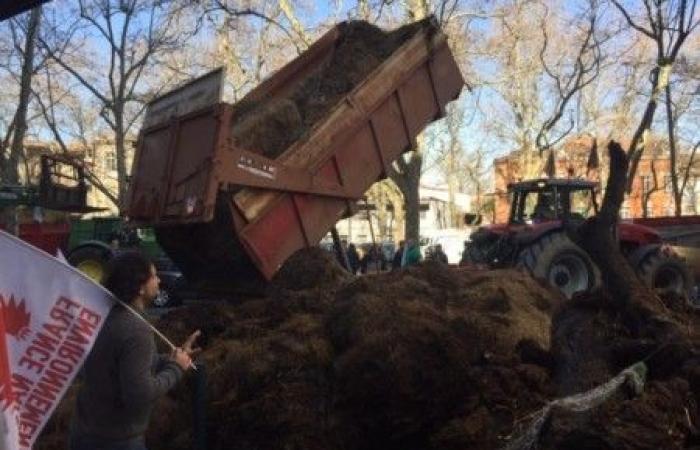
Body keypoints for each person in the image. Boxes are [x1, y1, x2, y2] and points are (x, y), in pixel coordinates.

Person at [70, 251, 200, 450]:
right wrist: (176, 368)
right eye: (154, 276)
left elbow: (117, 364)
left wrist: (170, 359)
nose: (158, 281)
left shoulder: (101, 316)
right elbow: (140, 395)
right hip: (118, 441)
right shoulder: (136, 330)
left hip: (84, 433)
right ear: (140, 286)